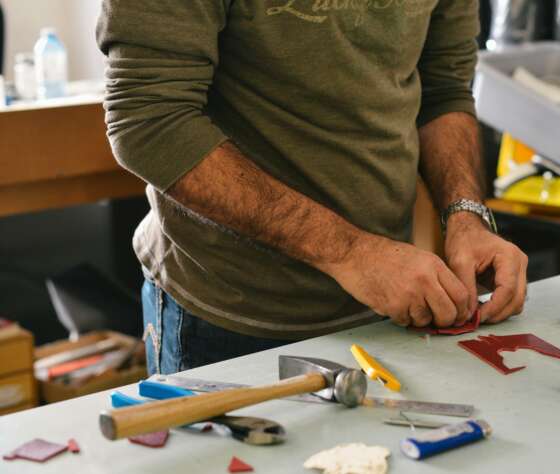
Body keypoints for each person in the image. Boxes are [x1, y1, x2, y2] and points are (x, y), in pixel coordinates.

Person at [96, 0, 528, 375]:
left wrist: (466, 217)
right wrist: (350, 252)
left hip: (385, 305)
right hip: (231, 315)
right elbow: (150, 122)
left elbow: (444, 90)